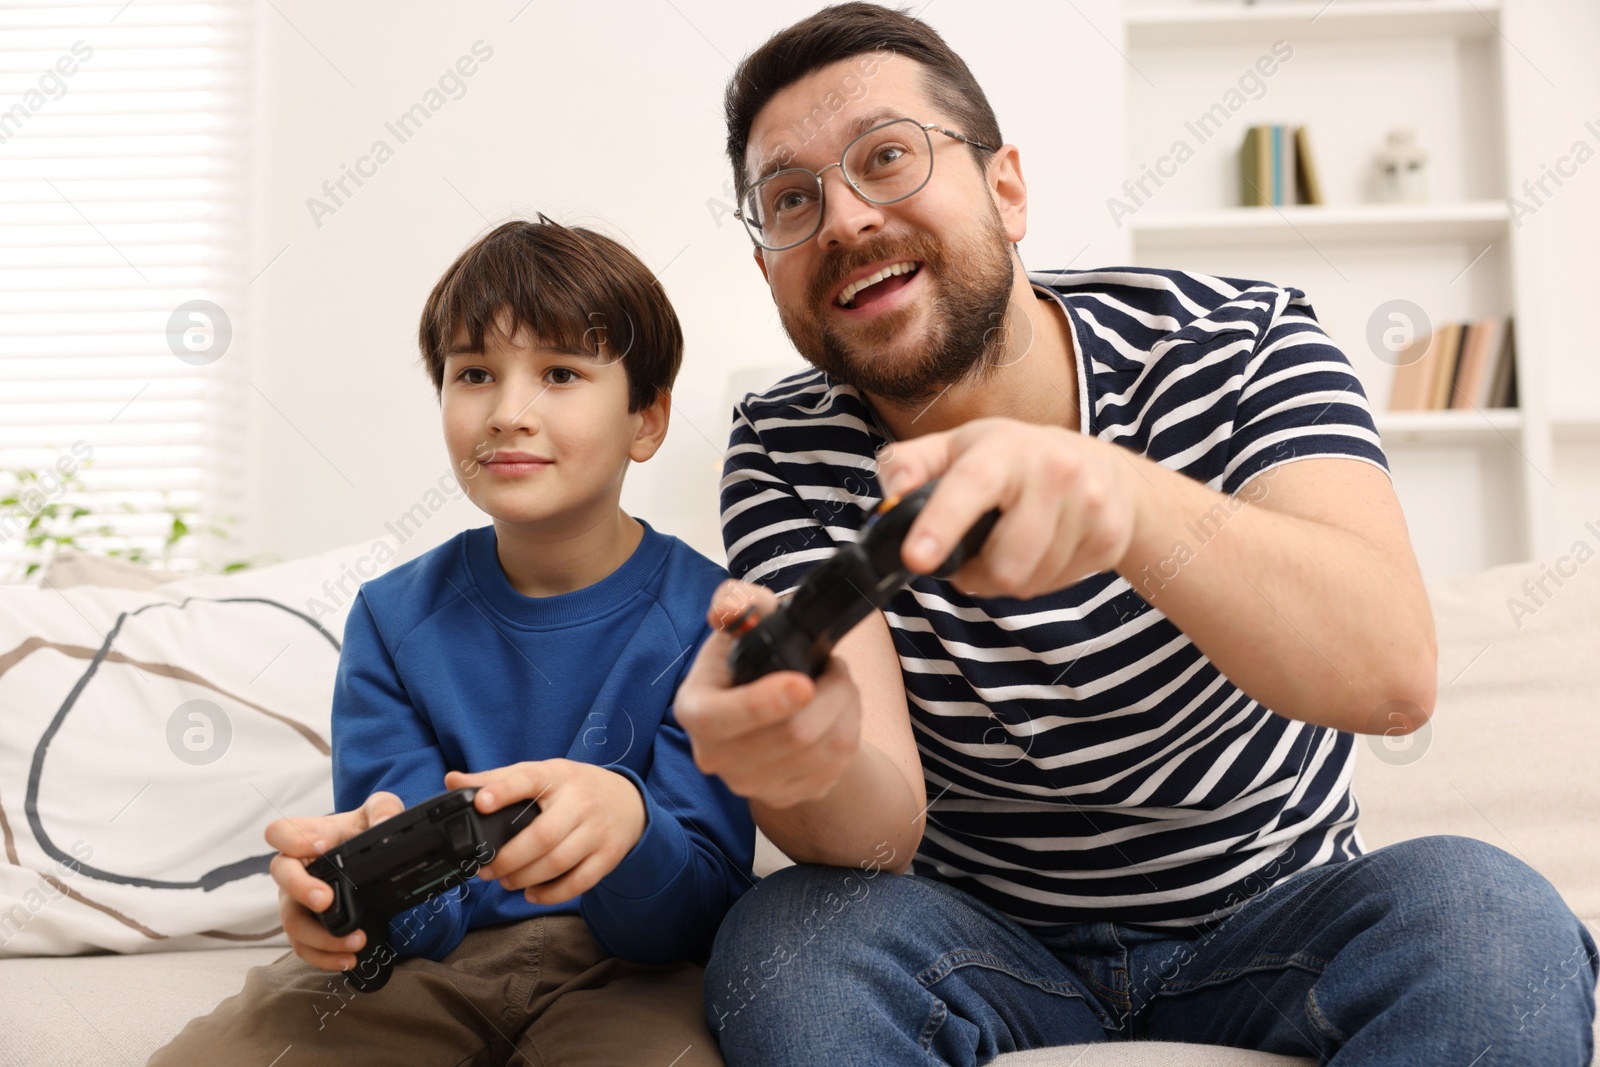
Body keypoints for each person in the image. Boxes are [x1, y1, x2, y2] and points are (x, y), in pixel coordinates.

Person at [673, 5, 1599, 1066]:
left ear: (1005, 188)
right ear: (768, 270)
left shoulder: (1242, 340)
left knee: (1486, 913)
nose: (841, 220)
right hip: (983, 944)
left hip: (1275, 919)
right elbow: (873, 835)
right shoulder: (782, 448)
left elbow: (1389, 672)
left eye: (886, 157)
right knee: (788, 934)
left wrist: (1122, 501)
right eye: (791, 199)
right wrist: (806, 757)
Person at [150, 217, 754, 1066]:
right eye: (474, 373)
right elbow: (417, 915)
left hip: (637, 976)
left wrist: (630, 825)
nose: (509, 412)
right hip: (438, 969)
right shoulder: (393, 618)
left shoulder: (711, 619)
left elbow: (693, 913)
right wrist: (353, 889)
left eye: (560, 373)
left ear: (645, 419)